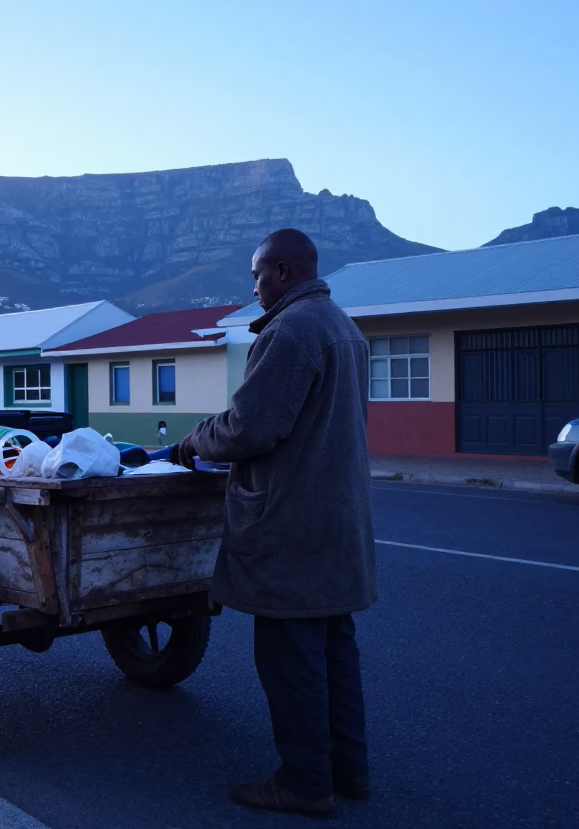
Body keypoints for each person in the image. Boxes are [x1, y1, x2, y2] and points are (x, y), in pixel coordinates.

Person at [174, 228, 376, 819]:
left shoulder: (291, 331)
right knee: (335, 650)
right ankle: (349, 772)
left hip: (294, 521)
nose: (255, 286)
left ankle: (305, 784)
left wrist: (192, 442)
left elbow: (250, 427)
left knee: (290, 656)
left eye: (259, 275)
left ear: (284, 272)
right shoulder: (343, 325)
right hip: (337, 517)